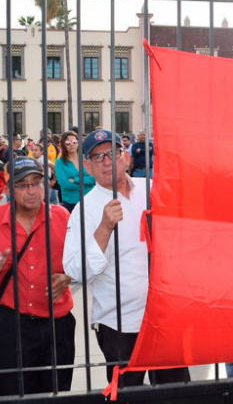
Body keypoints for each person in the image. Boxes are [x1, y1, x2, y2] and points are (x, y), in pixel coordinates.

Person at [63, 129, 189, 387]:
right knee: (127, 395)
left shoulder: (151, 189)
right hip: (120, 325)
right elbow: (76, 271)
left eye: (113, 153)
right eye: (98, 157)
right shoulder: (85, 210)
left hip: (165, 317)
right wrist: (104, 228)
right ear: (87, 166)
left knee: (176, 392)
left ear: (126, 157)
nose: (107, 161)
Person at [0, 157, 74, 396]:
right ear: (8, 190)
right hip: (11, 325)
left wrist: (68, 276)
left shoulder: (63, 217)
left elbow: (81, 260)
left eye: (36, 183)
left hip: (57, 324)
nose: (31, 191)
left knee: (58, 393)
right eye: (22, 185)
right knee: (13, 395)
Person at [54, 131, 95, 213]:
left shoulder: (86, 159)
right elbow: (64, 184)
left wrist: (75, 179)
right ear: (63, 145)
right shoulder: (59, 162)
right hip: (70, 203)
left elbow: (94, 179)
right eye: (68, 142)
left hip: (89, 200)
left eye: (74, 141)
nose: (71, 144)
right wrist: (86, 185)